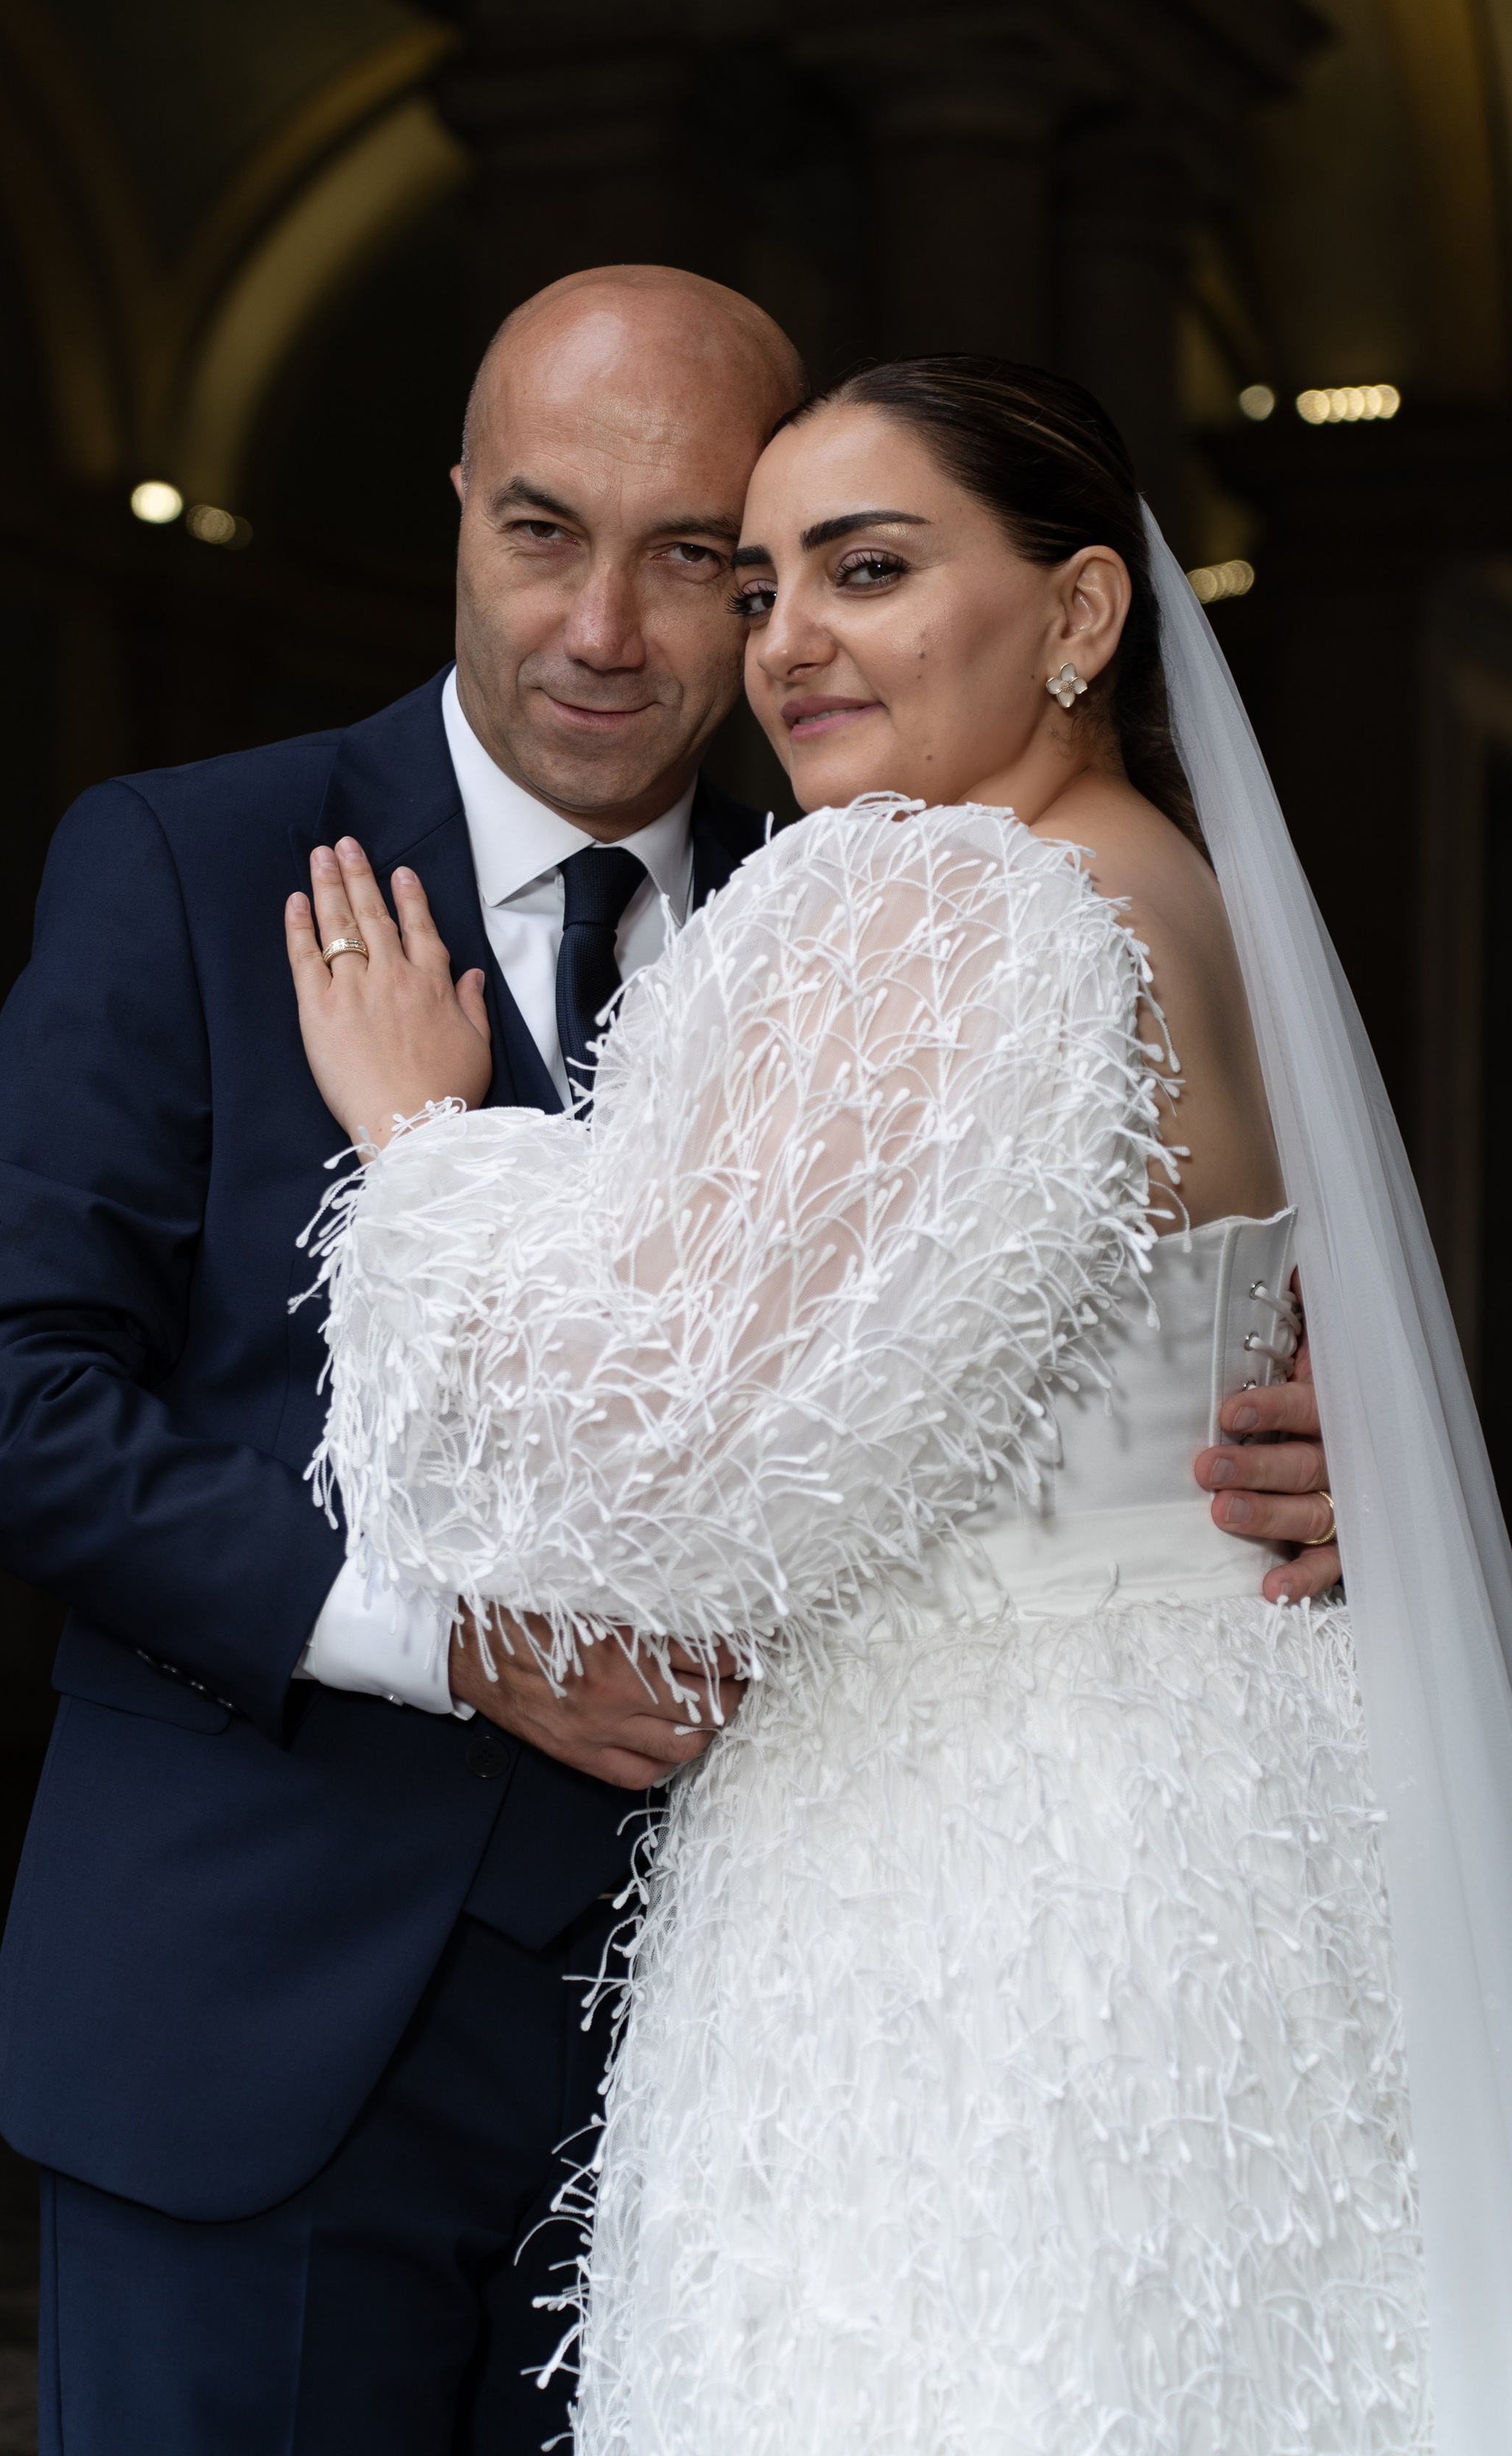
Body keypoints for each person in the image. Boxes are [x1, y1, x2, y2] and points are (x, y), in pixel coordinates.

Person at [0, 279, 1336, 2455]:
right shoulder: (196, 859)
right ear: (457, 511)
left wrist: (1336, 1456)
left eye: (703, 561)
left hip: (787, 2039)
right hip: (263, 2028)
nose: (617, 629)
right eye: (544, 533)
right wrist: (439, 1638)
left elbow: (1100, 1328)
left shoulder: (899, 870)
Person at [290, 356, 1512, 2452]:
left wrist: (421, 1146)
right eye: (761, 588)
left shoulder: (948, 897)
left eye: (868, 569)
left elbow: (657, 1463)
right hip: (1234, 1819)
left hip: (972, 1877)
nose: (788, 646)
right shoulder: (1168, 889)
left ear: (1082, 615)